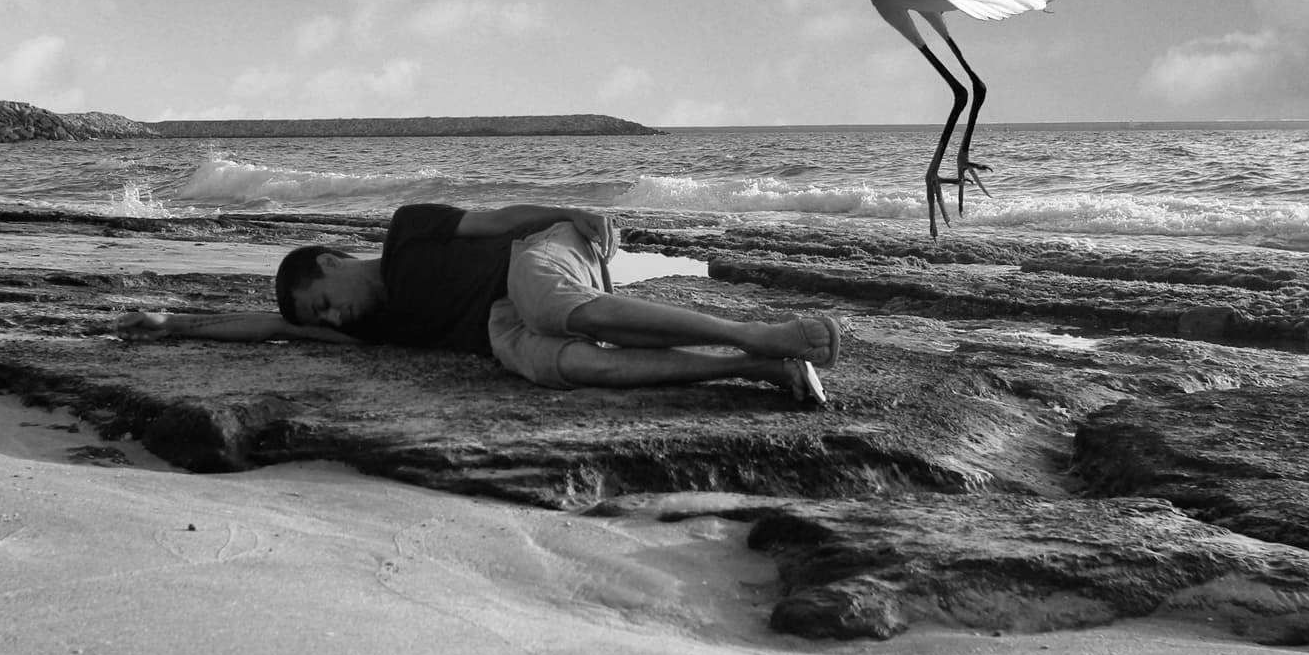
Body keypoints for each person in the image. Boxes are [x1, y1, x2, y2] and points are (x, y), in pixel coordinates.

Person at [115, 202, 842, 403]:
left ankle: (759, 334)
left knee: (552, 307)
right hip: (502, 326)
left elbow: (495, 221)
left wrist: (571, 212)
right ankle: (754, 372)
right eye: (320, 322)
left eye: (323, 302)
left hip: (531, 257)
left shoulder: (405, 232)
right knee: (564, 366)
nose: (328, 320)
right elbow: (270, 328)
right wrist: (171, 324)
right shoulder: (377, 331)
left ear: (333, 262)